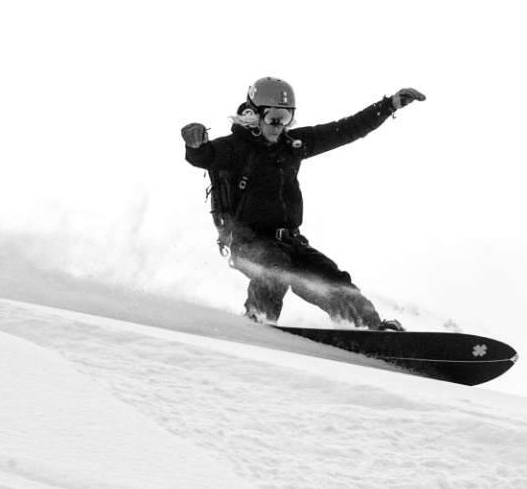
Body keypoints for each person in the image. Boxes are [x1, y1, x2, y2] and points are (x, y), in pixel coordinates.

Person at [181, 77, 425, 329]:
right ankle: (256, 324)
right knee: (274, 268)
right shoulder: (235, 147)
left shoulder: (291, 145)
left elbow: (346, 129)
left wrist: (389, 105)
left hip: (291, 242)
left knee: (332, 279)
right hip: (247, 243)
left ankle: (370, 329)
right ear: (254, 115)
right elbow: (205, 156)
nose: (279, 126)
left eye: (286, 118)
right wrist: (195, 144)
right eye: (274, 118)